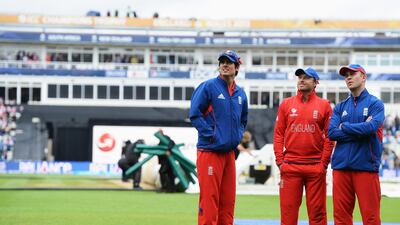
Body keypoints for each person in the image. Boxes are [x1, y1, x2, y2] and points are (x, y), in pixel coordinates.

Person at [190, 50, 248, 225]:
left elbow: (243, 120)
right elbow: (195, 114)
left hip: (229, 154)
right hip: (210, 151)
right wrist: (212, 136)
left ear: (237, 67)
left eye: (229, 62)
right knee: (209, 200)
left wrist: (236, 137)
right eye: (222, 62)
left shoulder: (241, 94)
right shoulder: (208, 87)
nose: (224, 65)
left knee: (228, 201)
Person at [273, 67, 335, 225]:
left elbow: (330, 136)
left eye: (306, 77)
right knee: (287, 215)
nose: (301, 80)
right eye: (299, 77)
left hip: (315, 167)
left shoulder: (324, 105)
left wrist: (323, 164)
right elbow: (278, 134)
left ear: (315, 82)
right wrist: (280, 161)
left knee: (318, 215)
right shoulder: (286, 104)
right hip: (290, 167)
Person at [328, 64, 384, 225]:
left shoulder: (376, 104)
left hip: (365, 167)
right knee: (341, 218)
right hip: (341, 168)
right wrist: (360, 129)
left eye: (352, 73)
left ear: (364, 77)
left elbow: (371, 127)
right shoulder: (340, 107)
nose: (348, 77)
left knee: (371, 218)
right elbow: (332, 133)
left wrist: (344, 127)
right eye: (346, 75)